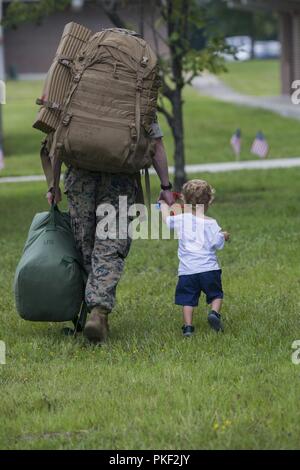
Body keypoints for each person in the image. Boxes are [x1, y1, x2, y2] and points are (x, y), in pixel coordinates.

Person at [47, 123, 175, 344]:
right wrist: (165, 187)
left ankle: (86, 313)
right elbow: (156, 144)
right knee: (110, 243)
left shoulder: (76, 91)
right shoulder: (133, 91)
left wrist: (53, 184)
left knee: (84, 243)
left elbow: (58, 141)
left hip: (80, 177)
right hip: (120, 178)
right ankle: (98, 312)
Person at [159, 179, 230, 337]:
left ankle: (188, 327)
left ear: (183, 199)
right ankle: (214, 313)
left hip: (187, 271)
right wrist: (223, 235)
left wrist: (163, 205)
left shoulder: (181, 219)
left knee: (188, 300)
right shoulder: (211, 223)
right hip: (209, 269)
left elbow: (167, 222)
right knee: (216, 294)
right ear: (209, 202)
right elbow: (216, 244)